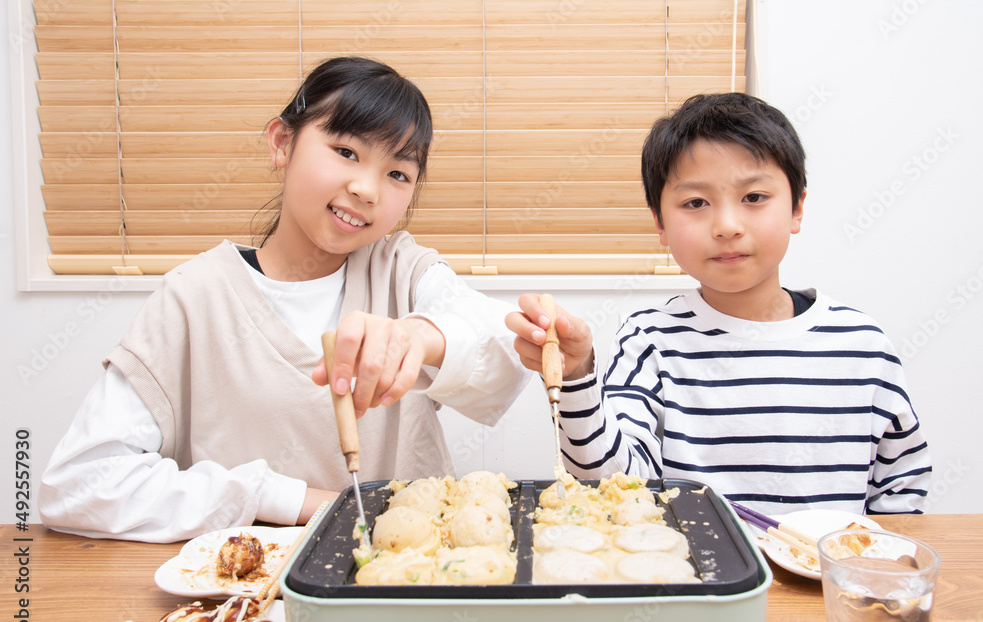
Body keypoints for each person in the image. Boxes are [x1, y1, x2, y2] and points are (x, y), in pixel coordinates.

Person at [39, 57, 532, 542]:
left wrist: (420, 336)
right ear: (282, 143)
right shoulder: (195, 297)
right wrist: (282, 498)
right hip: (251, 583)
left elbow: (505, 349)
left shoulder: (401, 271)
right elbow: (79, 485)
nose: (367, 190)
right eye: (346, 151)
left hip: (405, 579)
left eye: (398, 174)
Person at [506, 93, 931, 516]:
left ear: (797, 208)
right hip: (696, 561)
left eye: (754, 197)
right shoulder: (649, 340)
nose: (727, 226)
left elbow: (902, 494)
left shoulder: (862, 345)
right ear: (660, 223)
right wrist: (577, 376)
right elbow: (616, 486)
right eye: (696, 203)